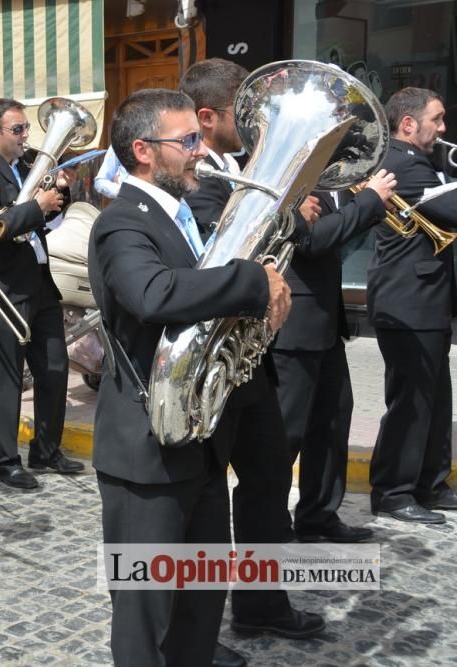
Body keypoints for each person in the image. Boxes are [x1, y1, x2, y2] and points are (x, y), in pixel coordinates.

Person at [89, 87, 291, 667]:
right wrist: (252, 283)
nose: (200, 150)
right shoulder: (122, 222)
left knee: (201, 596)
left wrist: (263, 292)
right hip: (145, 454)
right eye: (187, 140)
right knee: (145, 610)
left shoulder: (176, 213)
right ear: (143, 151)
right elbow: (153, 295)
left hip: (195, 440)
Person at [180, 60, 328, 665]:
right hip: (208, 365)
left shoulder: (239, 172)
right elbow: (232, 243)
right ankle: (194, 634)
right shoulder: (199, 181)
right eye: (246, 114)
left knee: (268, 482)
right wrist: (292, 215)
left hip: (250, 361)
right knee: (202, 500)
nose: (254, 126)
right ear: (209, 117)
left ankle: (261, 602)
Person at [0, 97, 84, 489]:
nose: (26, 136)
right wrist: (37, 206)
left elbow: (49, 220)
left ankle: (46, 450)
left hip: (40, 279)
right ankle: (6, 461)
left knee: (53, 366)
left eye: (26, 128)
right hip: (5, 284)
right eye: (18, 130)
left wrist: (60, 196)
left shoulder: (28, 167)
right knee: (8, 374)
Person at [272, 175, 394, 542]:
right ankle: (270, 522)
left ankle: (319, 516)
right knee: (286, 434)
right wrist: (369, 202)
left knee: (334, 421)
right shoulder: (296, 176)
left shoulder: (337, 181)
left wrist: (371, 210)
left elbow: (340, 236)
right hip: (295, 324)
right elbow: (310, 240)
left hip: (326, 321)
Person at [367, 87, 457, 523]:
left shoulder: (423, 164)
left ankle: (430, 485)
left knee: (437, 400)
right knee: (411, 402)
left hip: (428, 302)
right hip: (407, 303)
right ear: (408, 124)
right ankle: (393, 491)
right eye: (436, 120)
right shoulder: (402, 166)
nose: (443, 129)